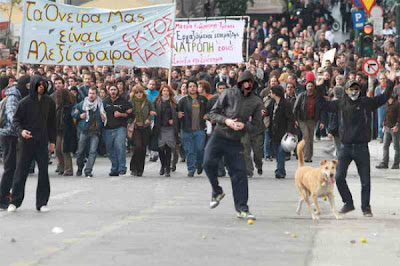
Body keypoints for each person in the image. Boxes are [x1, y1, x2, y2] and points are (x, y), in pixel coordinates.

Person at [319, 76, 395, 217]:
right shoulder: (340, 103)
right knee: (339, 177)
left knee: (365, 180)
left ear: (359, 90)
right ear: (346, 91)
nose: (354, 92)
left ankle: (366, 207)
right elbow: (323, 105)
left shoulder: (366, 102)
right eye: (351, 89)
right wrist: (319, 86)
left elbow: (384, 97)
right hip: (345, 147)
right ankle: (348, 203)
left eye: (356, 89)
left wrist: (390, 82)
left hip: (361, 147)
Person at [203, 70, 263, 220]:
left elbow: (258, 127)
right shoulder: (228, 93)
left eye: (250, 83)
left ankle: (242, 208)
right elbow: (213, 113)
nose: (247, 86)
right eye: (245, 82)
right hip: (219, 135)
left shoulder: (256, 101)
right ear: (240, 82)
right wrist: (227, 121)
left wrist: (245, 126)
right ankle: (217, 191)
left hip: (236, 140)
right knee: (208, 163)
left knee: (239, 174)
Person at [8, 75, 56, 212]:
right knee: (21, 171)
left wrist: (53, 141)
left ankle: (42, 203)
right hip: (26, 142)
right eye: (39, 84)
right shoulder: (24, 102)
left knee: (43, 172)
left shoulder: (49, 102)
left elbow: (52, 123)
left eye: (43, 84)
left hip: (42, 141)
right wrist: (21, 131)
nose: (41, 86)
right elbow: (16, 120)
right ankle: (15, 201)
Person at [72, 86, 106, 178]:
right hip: (84, 131)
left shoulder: (100, 105)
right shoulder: (82, 104)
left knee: (92, 152)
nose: (91, 95)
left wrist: (104, 117)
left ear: (96, 94)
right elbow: (73, 112)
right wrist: (79, 115)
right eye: (90, 93)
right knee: (80, 152)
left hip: (95, 132)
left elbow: (106, 113)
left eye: (93, 93)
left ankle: (88, 170)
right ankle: (80, 167)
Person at [178, 80, 208, 177]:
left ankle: (199, 164)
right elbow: (177, 113)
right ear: (187, 88)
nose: (192, 88)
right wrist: (178, 114)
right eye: (190, 86)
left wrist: (207, 115)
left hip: (199, 128)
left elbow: (209, 110)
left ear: (197, 87)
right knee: (189, 150)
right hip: (186, 129)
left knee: (200, 149)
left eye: (194, 86)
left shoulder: (203, 99)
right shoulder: (183, 101)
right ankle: (191, 169)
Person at [265, 85, 295, 179]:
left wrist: (289, 131)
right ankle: (280, 168)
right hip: (273, 131)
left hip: (283, 131)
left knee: (281, 152)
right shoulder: (273, 103)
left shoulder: (286, 104)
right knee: (276, 152)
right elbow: (268, 112)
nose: (270, 94)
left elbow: (290, 119)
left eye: (271, 92)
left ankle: (280, 171)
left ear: (275, 93)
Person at [103, 85, 133, 176]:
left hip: (120, 127)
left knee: (120, 147)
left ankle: (122, 167)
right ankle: (114, 168)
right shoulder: (105, 102)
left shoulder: (123, 101)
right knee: (109, 150)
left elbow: (130, 114)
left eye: (114, 90)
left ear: (118, 91)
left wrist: (121, 114)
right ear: (108, 91)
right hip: (107, 128)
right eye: (111, 90)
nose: (113, 91)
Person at [0, 83, 22, 210]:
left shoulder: (14, 96)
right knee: (9, 167)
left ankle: (5, 194)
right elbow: (12, 116)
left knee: (12, 166)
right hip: (8, 134)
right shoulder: (13, 97)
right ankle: (2, 196)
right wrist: (21, 128)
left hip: (10, 134)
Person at [129, 85, 154, 177]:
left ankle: (140, 169)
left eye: (140, 92)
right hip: (136, 128)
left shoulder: (148, 102)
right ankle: (133, 166)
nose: (139, 94)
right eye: (137, 92)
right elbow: (129, 114)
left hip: (145, 127)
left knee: (143, 148)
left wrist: (149, 118)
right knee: (138, 147)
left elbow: (153, 111)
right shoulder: (131, 102)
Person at [293, 80, 321, 163]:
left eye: (311, 86)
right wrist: (295, 120)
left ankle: (309, 156)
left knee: (310, 138)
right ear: (306, 87)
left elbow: (320, 109)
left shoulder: (317, 97)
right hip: (302, 119)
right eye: (308, 86)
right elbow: (295, 108)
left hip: (312, 120)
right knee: (306, 137)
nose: (310, 88)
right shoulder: (302, 96)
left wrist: (321, 120)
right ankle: (305, 156)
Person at [153, 85, 178, 177]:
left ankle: (168, 168)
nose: (165, 92)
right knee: (160, 148)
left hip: (170, 128)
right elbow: (153, 111)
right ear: (161, 92)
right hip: (160, 128)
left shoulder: (173, 102)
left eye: (167, 91)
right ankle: (162, 165)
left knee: (168, 148)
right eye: (164, 91)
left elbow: (177, 113)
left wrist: (173, 119)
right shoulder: (157, 102)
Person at [54, 88, 76, 176]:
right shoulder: (58, 107)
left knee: (65, 150)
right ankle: (61, 166)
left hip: (66, 130)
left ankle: (69, 169)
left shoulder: (68, 107)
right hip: (59, 130)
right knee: (58, 149)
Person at [376, 93, 400, 169]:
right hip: (387, 127)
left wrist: (397, 125)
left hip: (394, 128)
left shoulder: (397, 104)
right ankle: (384, 162)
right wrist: (384, 124)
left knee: (396, 147)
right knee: (385, 146)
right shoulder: (387, 104)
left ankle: (396, 163)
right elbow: (386, 115)